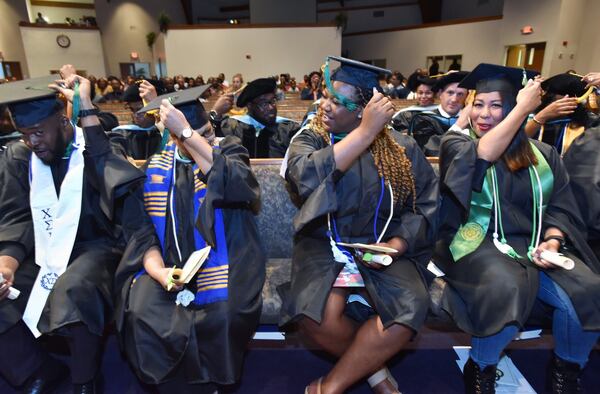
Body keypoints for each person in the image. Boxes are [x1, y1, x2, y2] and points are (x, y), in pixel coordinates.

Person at [432, 63, 600, 393]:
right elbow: (482, 156)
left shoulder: (544, 154)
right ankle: (481, 368)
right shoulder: (459, 145)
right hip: (476, 242)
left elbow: (562, 207)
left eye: (496, 105)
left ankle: (566, 371)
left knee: (588, 290)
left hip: (536, 246)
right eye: (479, 104)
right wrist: (525, 107)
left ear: (511, 109)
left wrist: (552, 240)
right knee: (504, 285)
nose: (484, 114)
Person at [279, 56, 438, 394]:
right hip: (324, 243)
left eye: (338, 102)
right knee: (314, 315)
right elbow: (303, 178)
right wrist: (365, 133)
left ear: (365, 109)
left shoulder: (401, 148)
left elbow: (424, 205)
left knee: (410, 307)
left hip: (383, 245)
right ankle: (375, 371)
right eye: (325, 96)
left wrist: (397, 245)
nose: (325, 106)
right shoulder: (312, 139)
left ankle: (329, 386)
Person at [0, 74, 147, 393]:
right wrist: (5, 267)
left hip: (97, 248)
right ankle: (35, 372)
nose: (32, 142)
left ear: (62, 119)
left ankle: (85, 380)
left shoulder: (95, 147)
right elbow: (18, 217)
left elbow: (121, 192)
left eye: (38, 132)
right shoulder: (19, 157)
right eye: (25, 134)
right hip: (42, 250)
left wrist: (87, 108)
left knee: (75, 288)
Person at [113, 87, 264, 394]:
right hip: (168, 264)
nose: (208, 140)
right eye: (196, 136)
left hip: (227, 256)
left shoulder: (229, 149)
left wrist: (190, 133)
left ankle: (215, 385)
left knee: (223, 312)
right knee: (140, 310)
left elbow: (240, 186)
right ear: (172, 139)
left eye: (207, 132)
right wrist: (160, 273)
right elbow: (144, 234)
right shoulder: (156, 167)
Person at [209, 77, 299, 158]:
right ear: (250, 106)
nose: (271, 107)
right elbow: (210, 141)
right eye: (264, 103)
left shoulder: (288, 128)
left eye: (273, 101)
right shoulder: (233, 126)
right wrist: (215, 112)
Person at [525, 72, 599, 155]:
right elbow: (517, 142)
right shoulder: (530, 117)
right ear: (549, 97)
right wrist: (542, 116)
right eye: (564, 96)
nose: (566, 100)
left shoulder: (589, 123)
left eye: (571, 96)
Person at [407, 71, 468, 156]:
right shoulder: (423, 119)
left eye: (460, 94)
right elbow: (428, 151)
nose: (454, 99)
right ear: (440, 94)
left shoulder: (472, 121)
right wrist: (458, 126)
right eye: (450, 93)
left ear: (466, 97)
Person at [109, 79, 165, 160]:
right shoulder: (124, 134)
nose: (136, 115)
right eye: (133, 110)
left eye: (141, 109)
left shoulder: (167, 132)